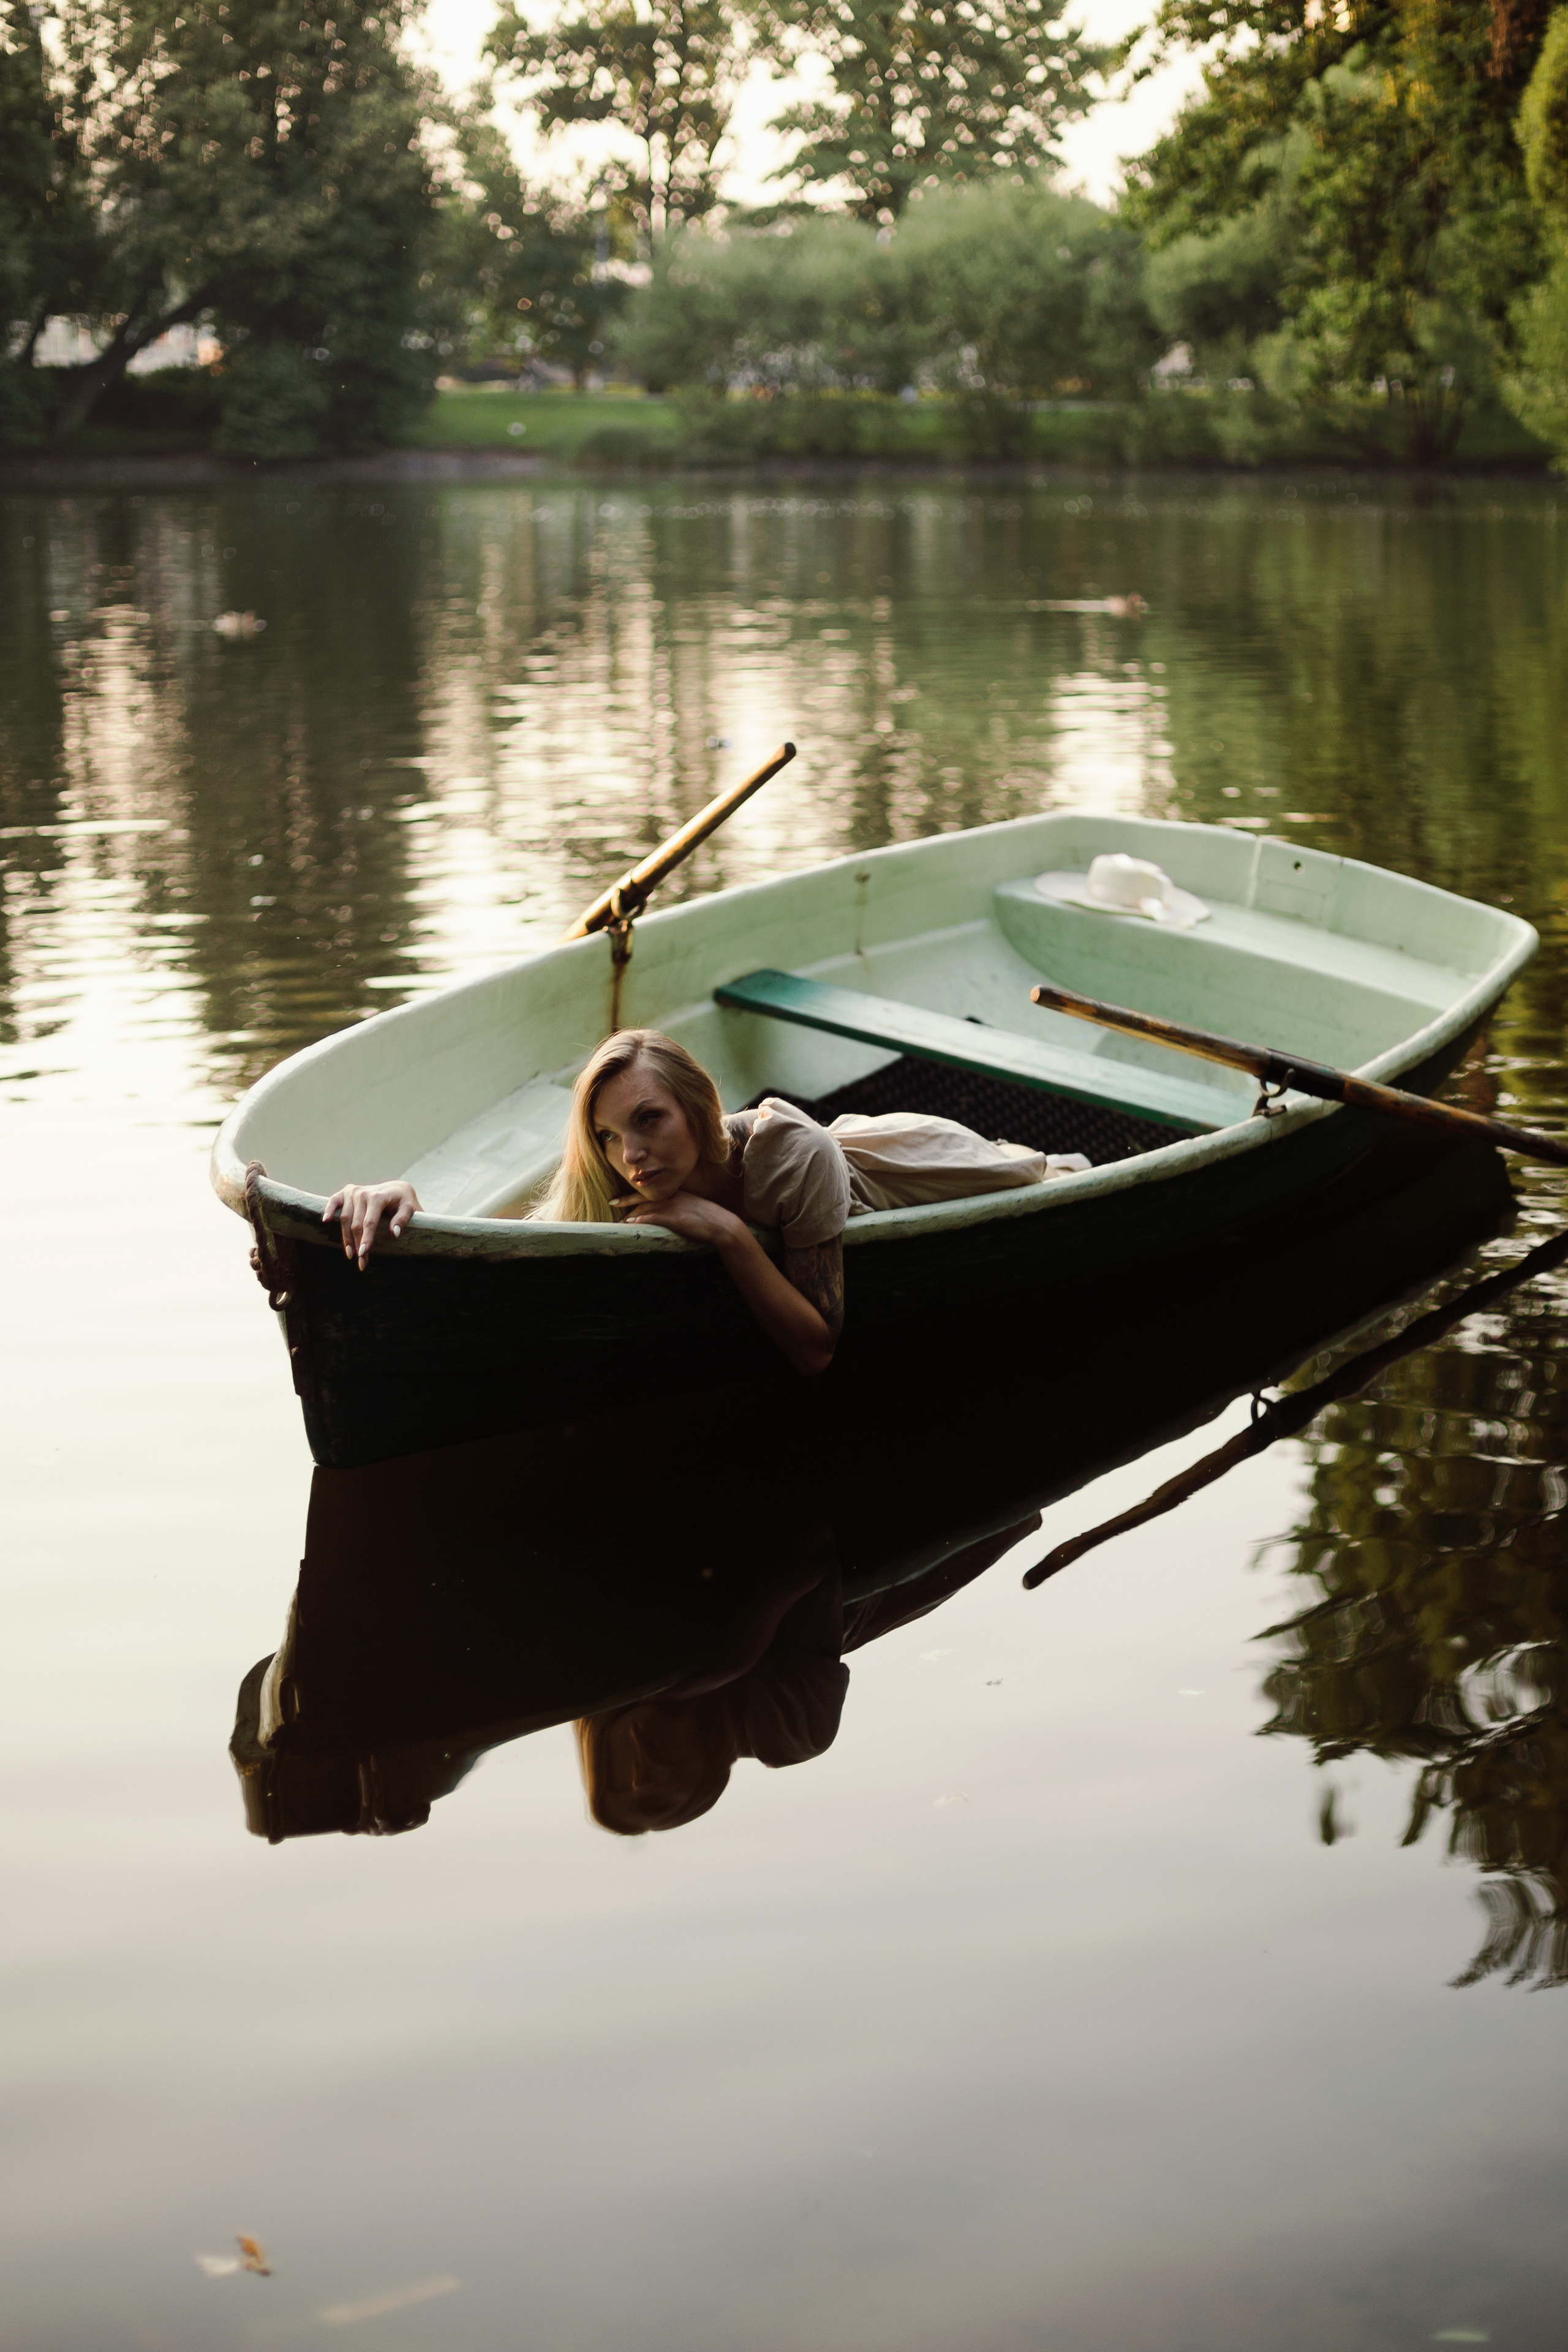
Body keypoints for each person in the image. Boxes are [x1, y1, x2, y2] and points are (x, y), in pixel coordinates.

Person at [323, 1028, 1085, 1376]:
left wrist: (728, 1235)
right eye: (609, 1135)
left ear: (697, 1105)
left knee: (1034, 1173)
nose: (633, 1155)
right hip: (838, 1163)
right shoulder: (627, 1170)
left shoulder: (795, 1157)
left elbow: (817, 1347)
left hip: (910, 1167)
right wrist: (405, 1200)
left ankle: (1065, 1165)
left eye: (649, 1119)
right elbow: (510, 1240)